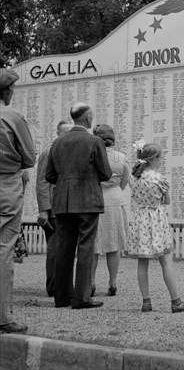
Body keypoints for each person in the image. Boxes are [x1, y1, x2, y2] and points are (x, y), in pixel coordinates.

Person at [45, 102, 112, 309]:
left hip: (63, 202)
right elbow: (106, 173)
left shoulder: (57, 143)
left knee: (63, 248)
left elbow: (49, 175)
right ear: (89, 117)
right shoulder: (94, 141)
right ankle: (82, 298)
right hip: (88, 200)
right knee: (85, 247)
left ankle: (62, 297)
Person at [126, 141, 184, 314]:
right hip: (156, 219)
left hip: (140, 218)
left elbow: (135, 197)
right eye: (160, 157)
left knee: (143, 262)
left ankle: (146, 302)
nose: (162, 160)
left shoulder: (133, 178)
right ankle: (175, 301)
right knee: (166, 260)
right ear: (153, 159)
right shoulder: (159, 179)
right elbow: (167, 201)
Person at [0, 69, 36, 334]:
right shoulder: (11, 117)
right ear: (6, 91)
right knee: (4, 248)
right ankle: (2, 316)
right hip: (6, 186)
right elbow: (29, 158)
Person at [91, 124, 130, 297]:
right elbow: (125, 180)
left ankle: (90, 282)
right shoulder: (121, 157)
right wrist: (116, 189)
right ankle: (112, 282)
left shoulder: (91, 156)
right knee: (113, 245)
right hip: (115, 197)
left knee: (93, 244)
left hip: (96, 197)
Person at [36, 120, 73, 296]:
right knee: (54, 249)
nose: (67, 136)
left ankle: (63, 286)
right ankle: (53, 287)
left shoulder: (68, 151)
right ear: (57, 133)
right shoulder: (48, 152)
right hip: (53, 209)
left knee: (65, 249)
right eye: (64, 132)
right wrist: (44, 209)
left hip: (66, 206)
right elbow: (42, 182)